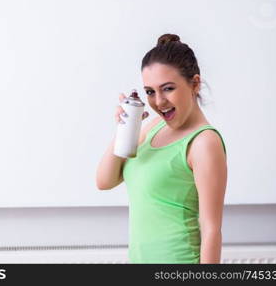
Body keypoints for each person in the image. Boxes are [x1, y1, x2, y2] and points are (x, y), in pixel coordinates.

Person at [96, 33, 227, 264]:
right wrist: (124, 129)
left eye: (167, 89)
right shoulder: (154, 126)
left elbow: (211, 229)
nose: (158, 101)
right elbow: (104, 181)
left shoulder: (204, 142)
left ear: (194, 83)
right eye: (150, 92)